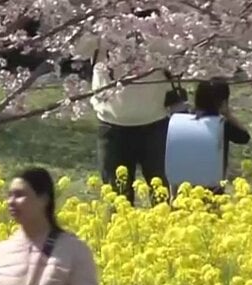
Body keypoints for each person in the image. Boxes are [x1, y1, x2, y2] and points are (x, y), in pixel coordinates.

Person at [74, 31, 182, 203]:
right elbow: (76, 48)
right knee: (117, 197)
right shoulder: (101, 31)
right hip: (112, 126)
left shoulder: (160, 30)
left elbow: (180, 49)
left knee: (162, 196)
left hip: (155, 124)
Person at [164, 79, 251, 195]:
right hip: (213, 188)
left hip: (183, 189)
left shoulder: (180, 122)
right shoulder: (222, 125)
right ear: (224, 102)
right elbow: (244, 137)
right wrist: (228, 114)